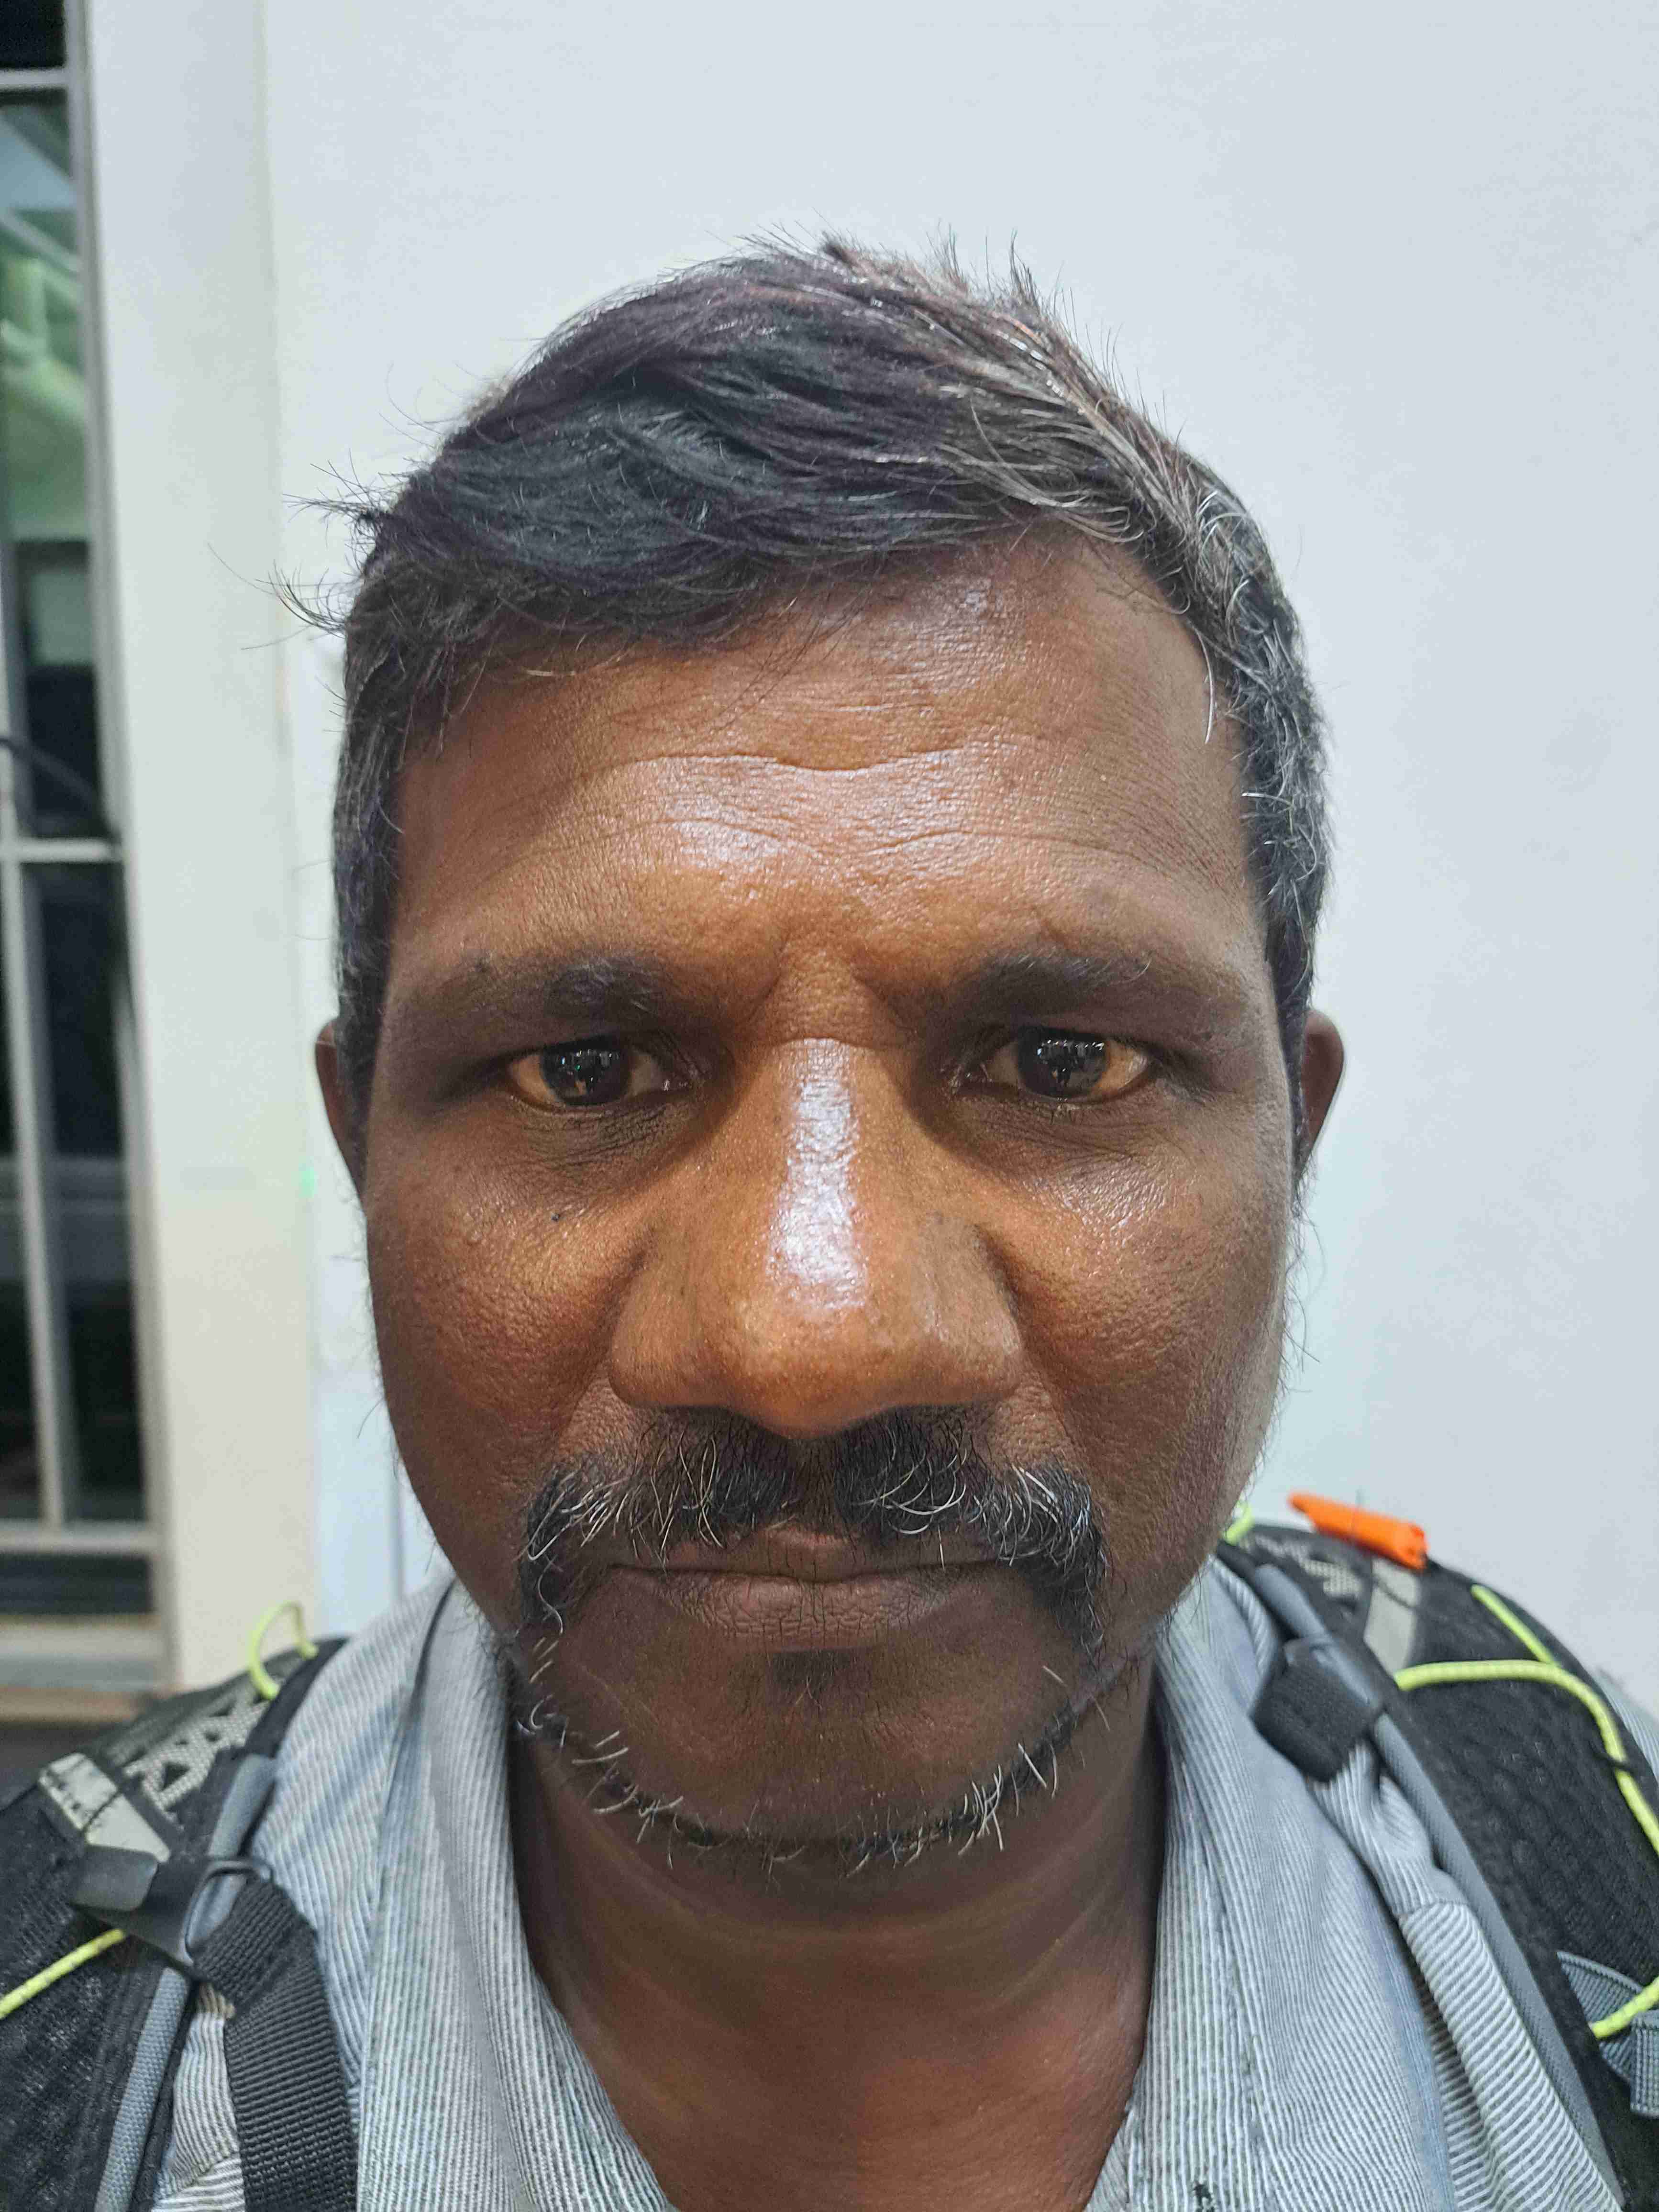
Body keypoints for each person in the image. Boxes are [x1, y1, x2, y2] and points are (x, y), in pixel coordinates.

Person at [7, 239, 1658, 2212]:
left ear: (1289, 1139)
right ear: (363, 1142)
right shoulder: (58, 2055)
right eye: (586, 1071)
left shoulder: (1566, 1841)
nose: (812, 1333)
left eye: (1058, 1061)